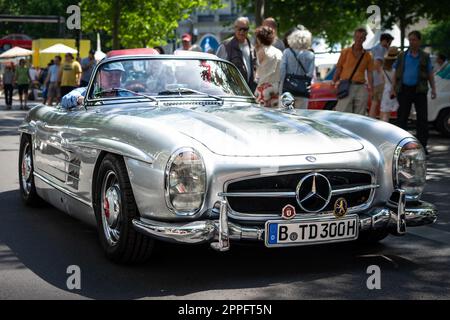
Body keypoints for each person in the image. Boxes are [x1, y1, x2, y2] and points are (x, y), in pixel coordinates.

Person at [391, 30, 437, 154]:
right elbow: (395, 72)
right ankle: (401, 145)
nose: (412, 42)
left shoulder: (425, 56)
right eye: (410, 40)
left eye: (414, 40)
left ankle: (422, 145)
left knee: (422, 119)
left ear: (419, 41)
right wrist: (393, 88)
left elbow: (430, 73)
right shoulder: (402, 55)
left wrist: (433, 89)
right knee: (402, 118)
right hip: (404, 90)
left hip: (419, 90)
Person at [332, 28, 374, 115]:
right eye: (357, 37)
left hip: (361, 87)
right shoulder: (345, 52)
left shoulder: (367, 55)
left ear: (365, 39)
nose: (359, 39)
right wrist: (334, 82)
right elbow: (339, 68)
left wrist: (371, 88)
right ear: (354, 37)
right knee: (343, 113)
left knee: (360, 114)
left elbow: (370, 72)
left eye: (361, 37)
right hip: (346, 86)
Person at [216, 17, 257, 91]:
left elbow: (256, 69)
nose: (242, 32)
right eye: (239, 29)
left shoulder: (252, 48)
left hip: (249, 91)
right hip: (232, 91)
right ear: (235, 29)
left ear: (248, 30)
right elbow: (217, 69)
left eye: (244, 29)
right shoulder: (226, 46)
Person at [61, 62, 125, 108]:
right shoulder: (86, 92)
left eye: (117, 75)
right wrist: (80, 99)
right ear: (98, 76)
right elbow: (65, 99)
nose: (114, 79)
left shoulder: (127, 95)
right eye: (109, 75)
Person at [279, 26, 315, 109]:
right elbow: (310, 74)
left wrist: (281, 88)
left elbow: (282, 70)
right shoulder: (311, 55)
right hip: (302, 90)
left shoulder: (287, 52)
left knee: (285, 115)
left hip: (288, 88)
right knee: (300, 116)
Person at [254, 26, 283, 107]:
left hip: (263, 88)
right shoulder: (279, 52)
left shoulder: (262, 51)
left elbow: (255, 68)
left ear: (259, 38)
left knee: (261, 116)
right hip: (276, 88)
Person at [369, 33, 394, 118]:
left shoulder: (374, 48)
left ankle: (371, 121)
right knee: (382, 105)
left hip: (374, 80)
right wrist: (384, 77)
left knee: (375, 102)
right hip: (380, 80)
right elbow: (377, 63)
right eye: (389, 43)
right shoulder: (380, 49)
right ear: (384, 41)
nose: (389, 45)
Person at [379, 47, 400, 122]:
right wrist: (393, 90)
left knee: (383, 110)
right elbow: (394, 82)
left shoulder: (382, 70)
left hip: (385, 90)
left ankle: (383, 124)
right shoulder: (394, 70)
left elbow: (382, 82)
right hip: (392, 91)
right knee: (389, 111)